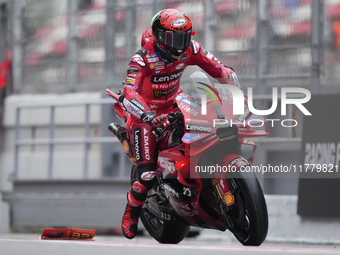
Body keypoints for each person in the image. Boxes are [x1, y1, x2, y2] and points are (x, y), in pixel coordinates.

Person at [120, 9, 240, 239]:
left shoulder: (191, 49)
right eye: (172, 39)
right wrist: (147, 115)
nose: (178, 45)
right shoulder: (141, 58)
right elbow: (129, 92)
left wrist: (232, 84)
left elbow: (219, 69)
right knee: (145, 175)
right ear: (157, 35)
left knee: (210, 129)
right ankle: (131, 213)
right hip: (145, 116)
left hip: (176, 103)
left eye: (183, 38)